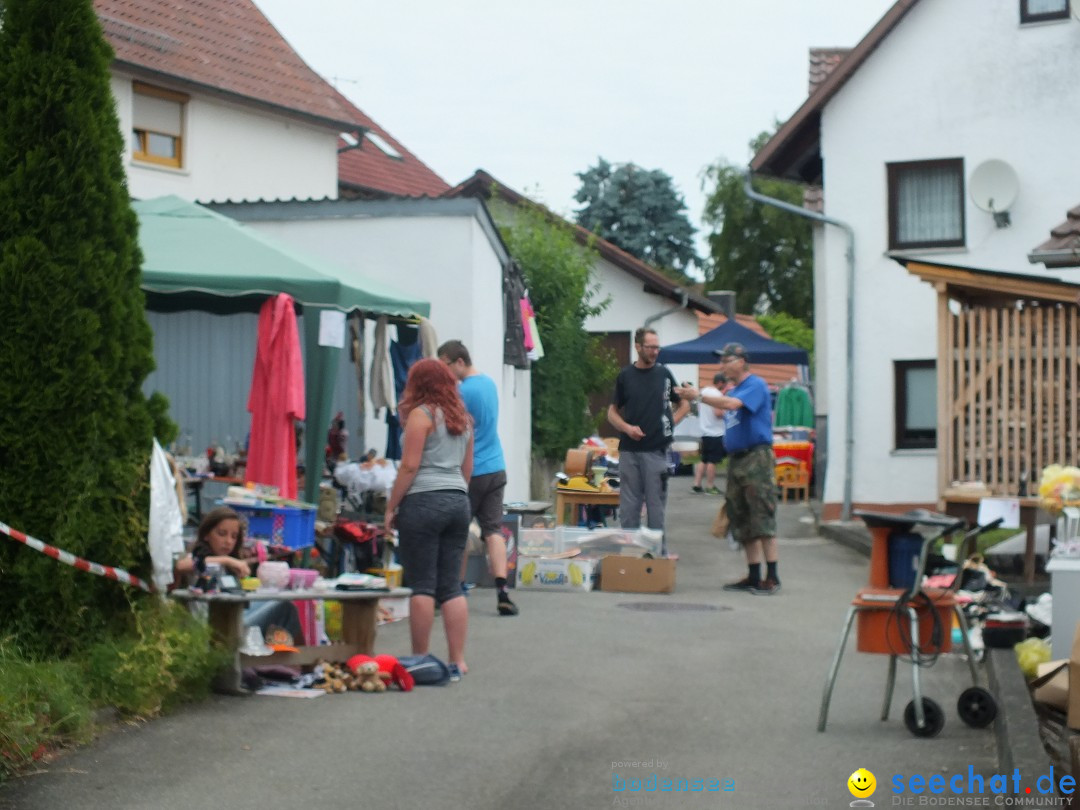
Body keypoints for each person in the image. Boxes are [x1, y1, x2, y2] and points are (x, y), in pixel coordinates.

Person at [385, 358, 474, 681]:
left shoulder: (420, 417)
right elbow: (467, 470)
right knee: (451, 586)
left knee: (422, 584)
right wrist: (457, 498)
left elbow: (409, 466)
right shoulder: (463, 419)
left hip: (423, 501)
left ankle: (421, 658)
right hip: (457, 501)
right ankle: (458, 661)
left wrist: (392, 506)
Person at [681, 342, 781, 595]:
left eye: (727, 360)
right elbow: (722, 411)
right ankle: (754, 574)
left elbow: (733, 406)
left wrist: (700, 396)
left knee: (762, 516)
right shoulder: (735, 388)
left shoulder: (755, 385)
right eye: (722, 361)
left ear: (741, 361)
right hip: (737, 459)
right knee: (742, 518)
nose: (722, 365)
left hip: (756, 458)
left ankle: (772, 576)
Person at [438, 339, 518, 617]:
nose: (445, 372)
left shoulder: (461, 393)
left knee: (458, 531)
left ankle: (455, 589)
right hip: (496, 466)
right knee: (493, 530)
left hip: (471, 471)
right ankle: (502, 591)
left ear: (459, 361)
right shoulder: (490, 384)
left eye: (446, 365)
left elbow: (452, 429)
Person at [607, 327, 690, 539]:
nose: (655, 351)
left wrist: (670, 424)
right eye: (650, 347)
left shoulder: (664, 374)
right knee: (629, 508)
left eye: (657, 347)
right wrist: (627, 428)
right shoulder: (625, 375)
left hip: (657, 451)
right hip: (629, 451)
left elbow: (684, 405)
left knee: (656, 508)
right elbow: (612, 412)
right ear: (638, 347)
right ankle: (630, 555)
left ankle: (655, 558)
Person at [174, 506, 303, 639]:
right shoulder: (199, 557)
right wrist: (227, 560)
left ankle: (287, 653)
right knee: (283, 607)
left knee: (286, 605)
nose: (228, 541)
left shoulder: (227, 564)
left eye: (234, 537)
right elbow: (181, 565)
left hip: (234, 618)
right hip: (211, 629)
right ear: (206, 535)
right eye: (222, 534)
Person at [692, 372, 728, 495]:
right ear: (720, 383)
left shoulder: (703, 392)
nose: (725, 388)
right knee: (713, 460)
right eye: (724, 385)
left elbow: (698, 409)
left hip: (704, 430)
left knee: (704, 459)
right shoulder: (717, 395)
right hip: (715, 432)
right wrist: (727, 412)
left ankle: (696, 484)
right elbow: (718, 413)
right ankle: (710, 486)